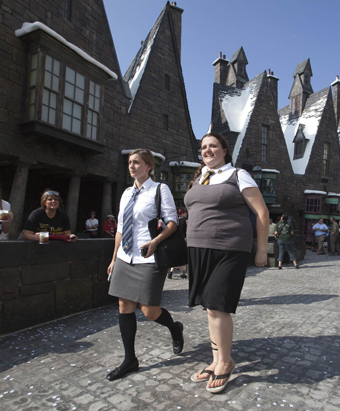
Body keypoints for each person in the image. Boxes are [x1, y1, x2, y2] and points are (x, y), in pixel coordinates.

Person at [184, 133, 268, 394]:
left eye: (213, 146)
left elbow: (262, 212)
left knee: (217, 303)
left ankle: (226, 361)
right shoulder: (199, 177)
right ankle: (216, 359)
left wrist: (261, 250)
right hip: (199, 249)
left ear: (224, 150)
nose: (207, 150)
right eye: (203, 147)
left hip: (230, 248)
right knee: (209, 307)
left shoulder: (238, 175)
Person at [105, 149, 183, 382]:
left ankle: (175, 329)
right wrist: (113, 258)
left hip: (149, 257)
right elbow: (120, 228)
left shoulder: (160, 189)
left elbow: (172, 222)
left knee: (149, 311)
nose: (131, 166)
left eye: (136, 162)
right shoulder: (126, 193)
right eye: (130, 162)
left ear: (148, 166)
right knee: (124, 306)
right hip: (125, 257)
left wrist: (156, 241)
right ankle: (130, 359)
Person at [169, 208, 188, 279]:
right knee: (183, 256)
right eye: (185, 212)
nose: (186, 214)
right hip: (183, 239)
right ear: (182, 213)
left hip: (176, 239)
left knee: (176, 256)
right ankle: (182, 273)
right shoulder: (185, 221)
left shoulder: (175, 221)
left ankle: (171, 270)